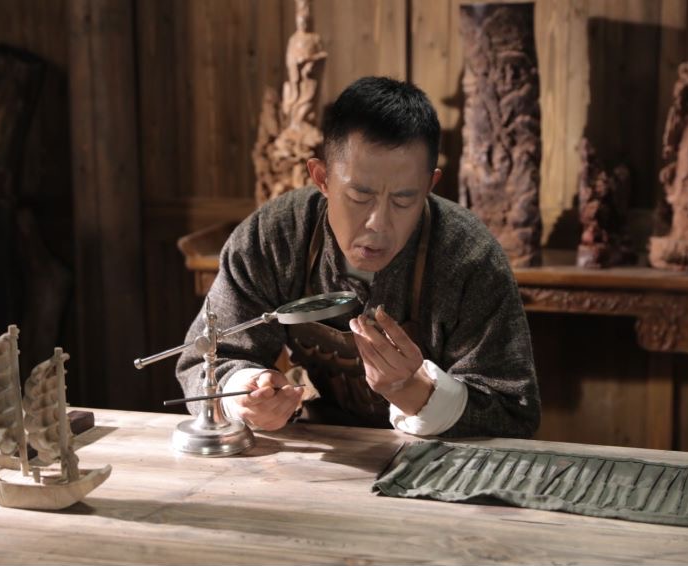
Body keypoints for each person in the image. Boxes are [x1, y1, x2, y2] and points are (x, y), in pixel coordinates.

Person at [176, 76, 540, 438]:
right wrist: (243, 394)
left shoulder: (470, 259)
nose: (378, 224)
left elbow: (514, 413)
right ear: (322, 177)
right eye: (359, 197)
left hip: (437, 458)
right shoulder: (276, 236)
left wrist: (416, 393)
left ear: (430, 185)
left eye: (403, 199)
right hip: (319, 448)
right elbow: (203, 359)